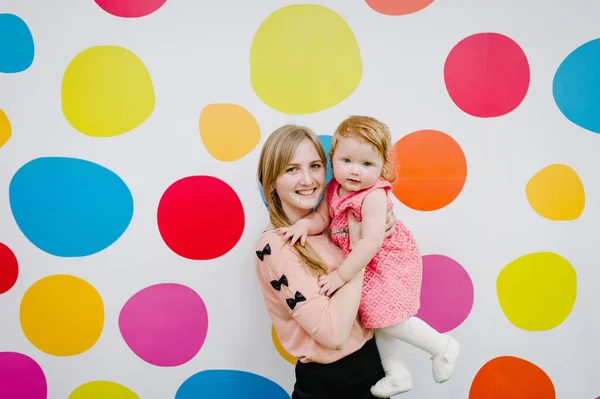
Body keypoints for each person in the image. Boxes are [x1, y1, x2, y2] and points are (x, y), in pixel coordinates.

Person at [277, 116, 460, 398]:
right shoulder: (333, 189)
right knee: (376, 318)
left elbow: (371, 241)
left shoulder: (374, 195)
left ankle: (441, 346)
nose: (355, 171)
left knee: (387, 317)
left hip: (386, 260)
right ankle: (397, 373)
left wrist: (339, 276)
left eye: (367, 165)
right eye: (346, 160)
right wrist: (305, 225)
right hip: (364, 261)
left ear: (382, 168)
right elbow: (322, 218)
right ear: (333, 158)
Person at [255, 124, 399, 399]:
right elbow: (333, 336)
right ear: (271, 180)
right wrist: (360, 252)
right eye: (291, 169)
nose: (308, 179)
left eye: (316, 165)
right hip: (330, 386)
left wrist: (375, 235)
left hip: (372, 370)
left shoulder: (333, 224)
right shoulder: (275, 247)